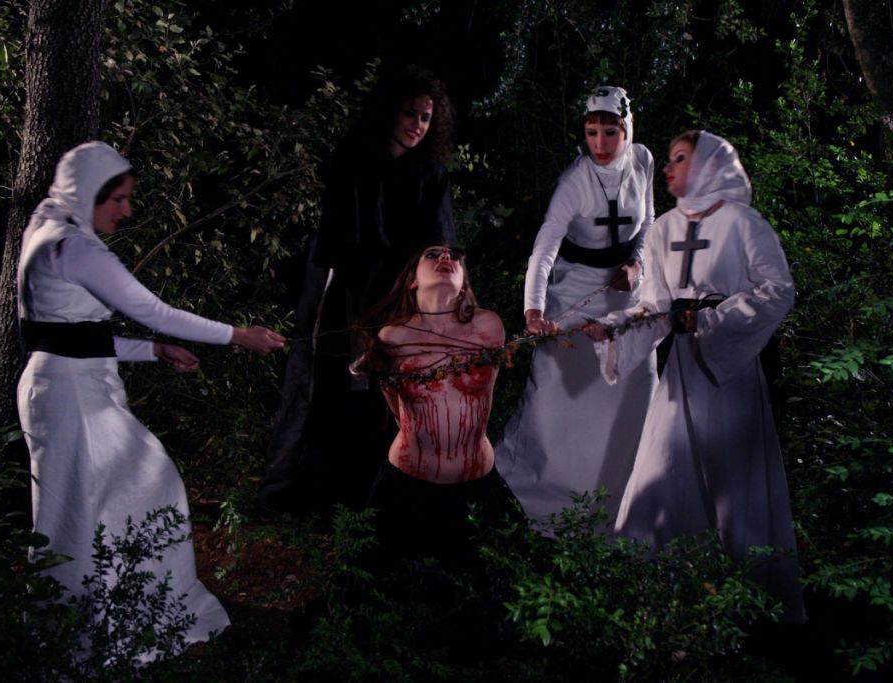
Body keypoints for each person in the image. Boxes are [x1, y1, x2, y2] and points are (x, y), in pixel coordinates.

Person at [16, 141, 285, 648]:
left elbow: (71, 333)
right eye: (117, 198)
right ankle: (94, 632)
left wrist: (153, 351)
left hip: (62, 384)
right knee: (102, 503)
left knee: (107, 501)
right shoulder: (73, 246)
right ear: (87, 192)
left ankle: (122, 611)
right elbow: (153, 310)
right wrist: (238, 335)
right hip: (71, 396)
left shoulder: (47, 229)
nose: (127, 210)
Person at [584, 130, 805, 622]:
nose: (668, 168)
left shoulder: (744, 223)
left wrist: (711, 320)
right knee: (663, 470)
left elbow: (777, 290)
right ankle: (660, 597)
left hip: (730, 369)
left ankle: (753, 606)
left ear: (709, 165)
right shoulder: (663, 229)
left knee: (735, 480)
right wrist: (615, 328)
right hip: (683, 370)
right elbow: (656, 306)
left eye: (680, 158)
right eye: (668, 158)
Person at [261, 65, 457, 514]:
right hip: (344, 291)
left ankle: (375, 498)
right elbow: (339, 242)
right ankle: (312, 494)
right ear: (390, 110)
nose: (417, 125)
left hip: (400, 295)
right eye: (409, 113)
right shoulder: (355, 159)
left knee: (388, 395)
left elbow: (438, 240)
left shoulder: (432, 174)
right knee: (329, 386)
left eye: (426, 118)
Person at [494, 86, 658, 525]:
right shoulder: (574, 181)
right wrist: (533, 310)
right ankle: (555, 485)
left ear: (628, 129)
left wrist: (637, 264)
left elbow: (649, 221)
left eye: (611, 132)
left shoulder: (643, 161)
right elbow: (545, 246)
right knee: (557, 388)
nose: (600, 144)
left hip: (626, 293)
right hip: (576, 290)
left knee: (636, 382)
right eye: (591, 132)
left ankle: (629, 489)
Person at [352, 244, 522, 566]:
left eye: (454, 257)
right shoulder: (392, 337)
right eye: (432, 255)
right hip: (408, 485)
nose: (446, 258)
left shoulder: (487, 327)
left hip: (476, 484)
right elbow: (396, 407)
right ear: (412, 280)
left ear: (464, 283)